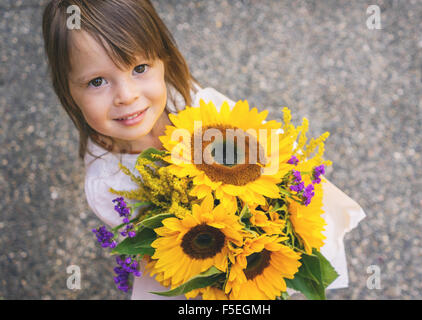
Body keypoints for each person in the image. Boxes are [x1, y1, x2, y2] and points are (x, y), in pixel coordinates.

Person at [42, 0, 365, 300]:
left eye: (139, 68)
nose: (126, 95)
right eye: (97, 81)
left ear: (164, 60)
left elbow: (257, 145)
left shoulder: (194, 101)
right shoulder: (108, 187)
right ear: (68, 90)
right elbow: (157, 252)